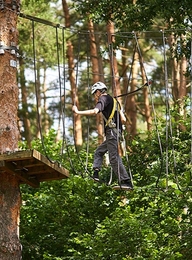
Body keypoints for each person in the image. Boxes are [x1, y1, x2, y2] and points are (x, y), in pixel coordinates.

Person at [72, 81, 133, 190]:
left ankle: (126, 181)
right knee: (99, 151)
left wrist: (78, 112)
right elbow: (123, 119)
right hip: (117, 132)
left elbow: (95, 111)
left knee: (113, 157)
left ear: (99, 92)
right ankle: (96, 174)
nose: (95, 96)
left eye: (95, 93)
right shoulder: (115, 101)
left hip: (112, 132)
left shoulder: (103, 99)